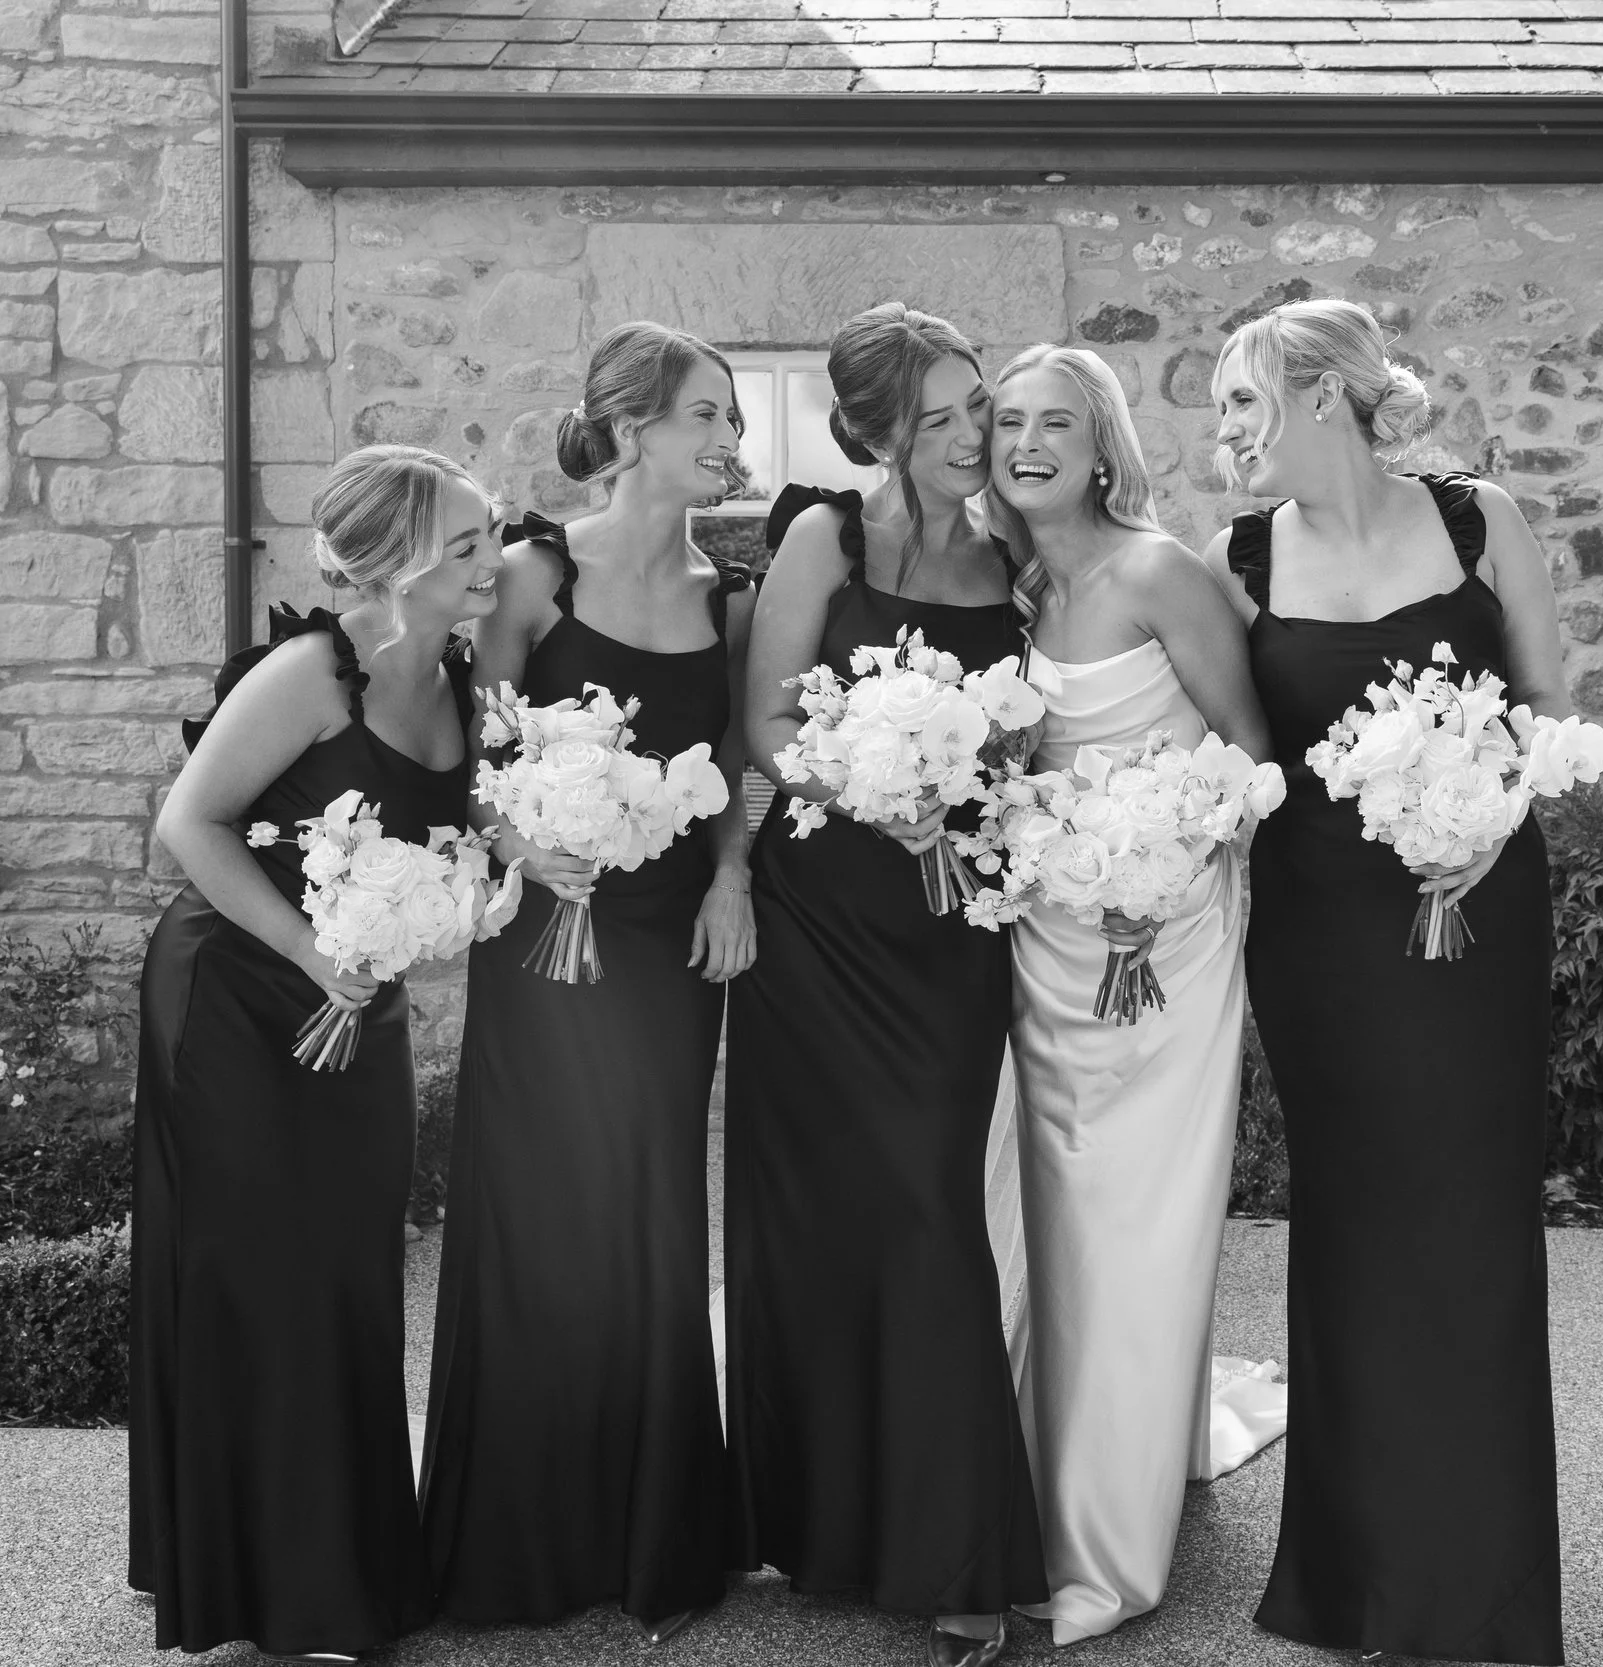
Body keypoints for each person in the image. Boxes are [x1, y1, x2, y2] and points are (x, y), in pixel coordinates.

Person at [1204, 297, 1569, 1665]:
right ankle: (1351, 1579)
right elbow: (1220, 754)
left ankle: (1478, 1589)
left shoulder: (1482, 520)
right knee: (1353, 1222)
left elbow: (1551, 719)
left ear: (1314, 395)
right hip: (1323, 935)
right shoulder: (1236, 558)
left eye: (1240, 401)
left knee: (1471, 1223)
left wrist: (1483, 823)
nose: (1226, 432)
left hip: (1478, 910)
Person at [418, 321, 756, 1645]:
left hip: (671, 945)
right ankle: (522, 1535)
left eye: (730, 418)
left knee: (653, 1209)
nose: (730, 440)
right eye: (707, 417)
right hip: (547, 933)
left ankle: (656, 1535)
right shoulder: (530, 572)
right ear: (629, 434)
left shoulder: (729, 592)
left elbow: (740, 757)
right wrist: (519, 838)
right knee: (539, 1211)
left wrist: (730, 877)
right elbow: (465, 747)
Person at [131, 443, 496, 1660]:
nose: (493, 564)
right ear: (393, 565)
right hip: (237, 988)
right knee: (262, 1269)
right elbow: (188, 820)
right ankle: (279, 1592)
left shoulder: (458, 672)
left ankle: (344, 1552)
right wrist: (307, 948)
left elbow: (463, 832)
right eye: (467, 546)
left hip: (358, 994)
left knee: (347, 1259)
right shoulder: (307, 671)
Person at [725, 303, 1045, 1667]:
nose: (976, 435)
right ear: (882, 431)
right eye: (945, 415)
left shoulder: (1014, 554)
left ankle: (963, 1549)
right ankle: (819, 1520)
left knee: (925, 1201)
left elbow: (1038, 727)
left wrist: (964, 797)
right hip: (822, 920)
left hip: (948, 925)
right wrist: (873, 777)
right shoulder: (824, 538)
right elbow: (766, 717)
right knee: (815, 1210)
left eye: (980, 404)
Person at [988, 344, 1275, 1646]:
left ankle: (1106, 1539)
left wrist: (1159, 865)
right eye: (1007, 421)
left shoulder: (1159, 570)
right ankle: (1038, 1476)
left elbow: (1249, 755)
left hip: (1162, 941)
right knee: (1041, 1206)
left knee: (1133, 1214)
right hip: (1041, 936)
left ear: (1102, 444)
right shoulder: (1013, 584)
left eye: (1056, 421)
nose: (1027, 441)